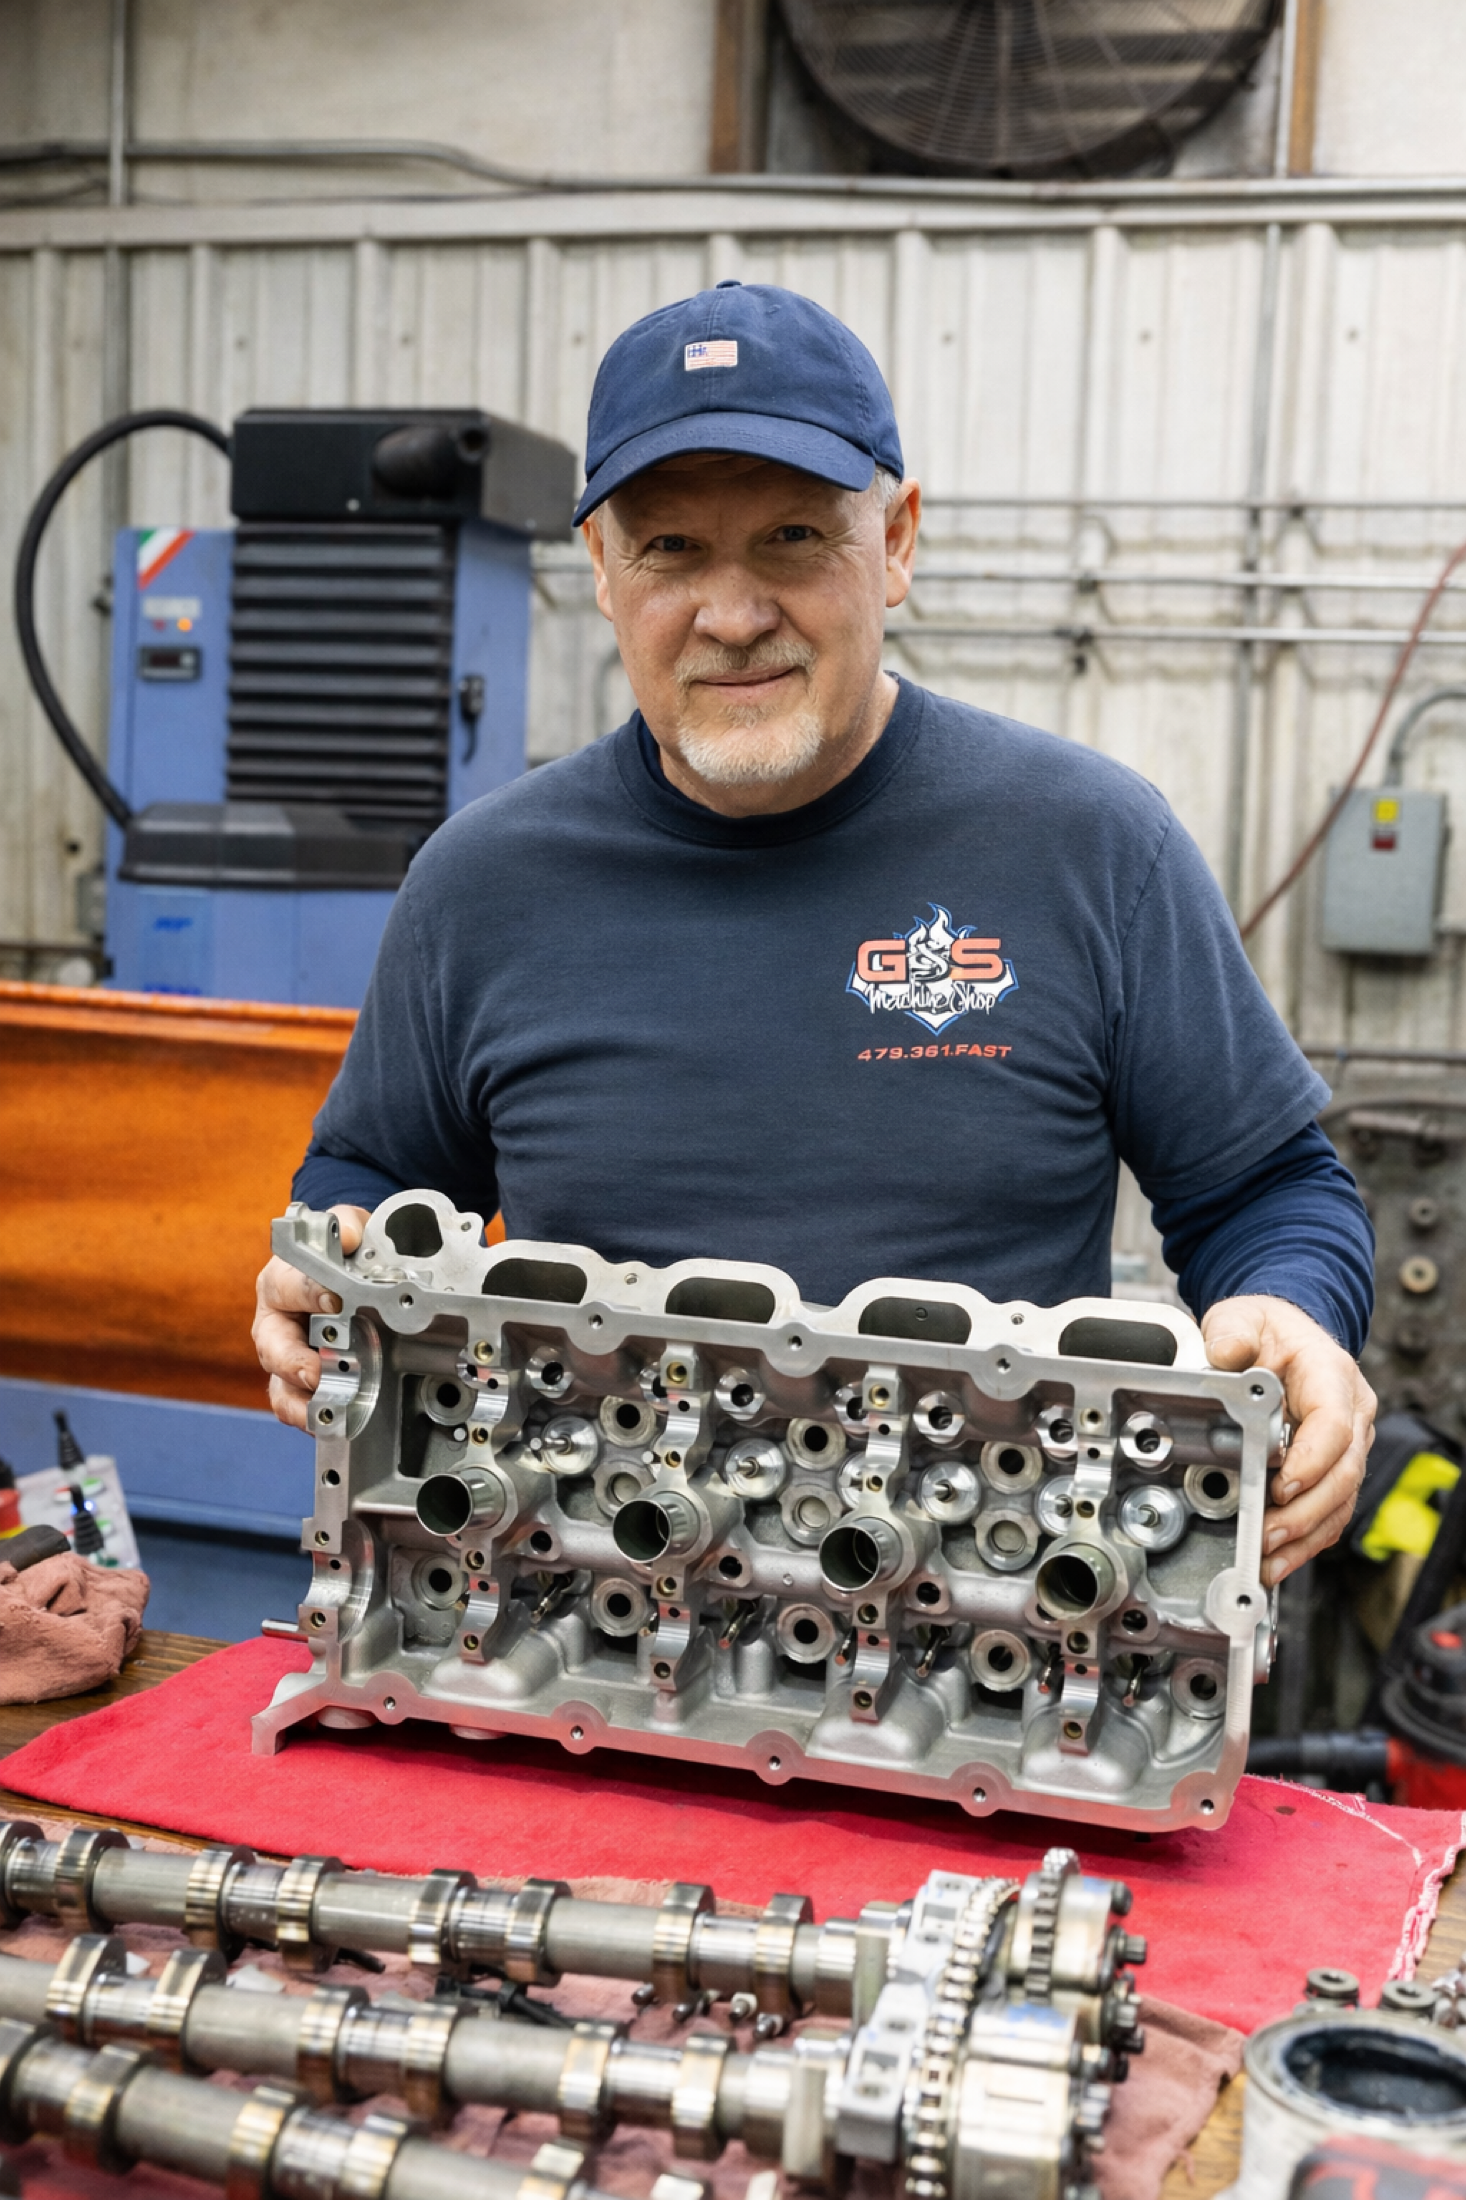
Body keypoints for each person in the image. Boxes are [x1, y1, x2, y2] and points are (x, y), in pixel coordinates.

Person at [253, 281, 1376, 1591]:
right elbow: (371, 1184)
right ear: (601, 569)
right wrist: (321, 1269)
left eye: (792, 536)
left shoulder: (1088, 846)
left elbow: (1263, 1188)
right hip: (594, 1616)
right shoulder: (481, 886)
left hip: (990, 1614)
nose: (731, 614)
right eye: (671, 549)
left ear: (893, 542)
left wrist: (1293, 1312)